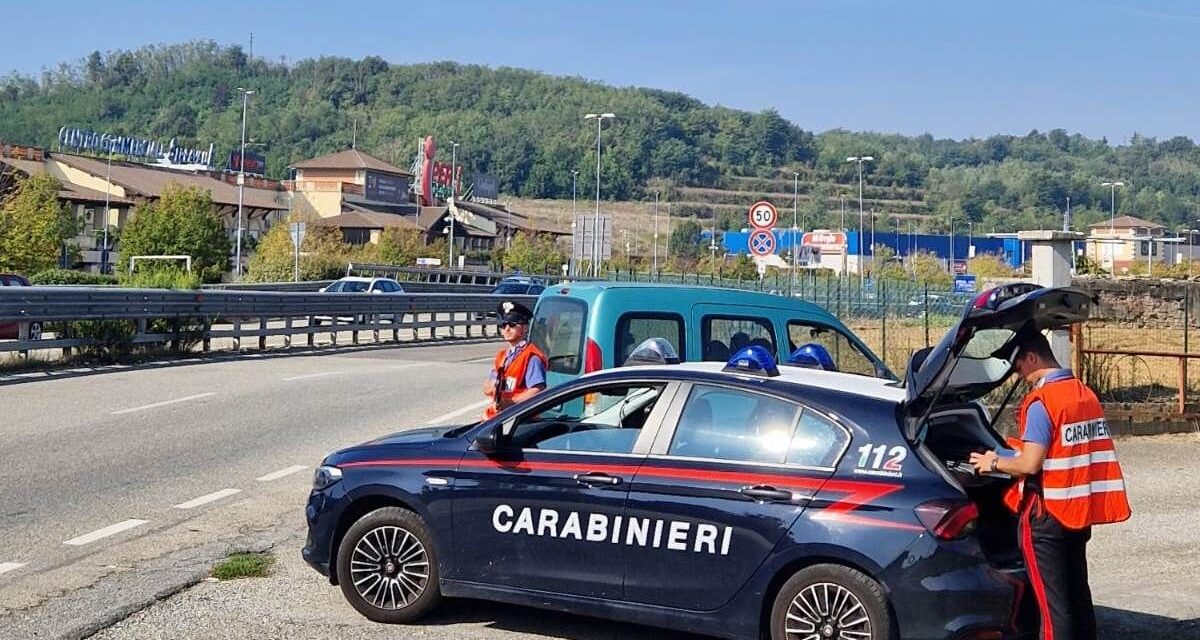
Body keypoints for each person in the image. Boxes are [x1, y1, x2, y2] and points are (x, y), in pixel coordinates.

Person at [970, 331, 1130, 640]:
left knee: (1053, 608)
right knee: (1077, 597)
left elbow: (1030, 464)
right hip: (1078, 509)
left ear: (1032, 358)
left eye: (1018, 367)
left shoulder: (1041, 401)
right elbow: (1065, 450)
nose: (1019, 375)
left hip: (1047, 515)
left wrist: (993, 462)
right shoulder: (1084, 394)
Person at [483, 301, 548, 419]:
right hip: (500, 416)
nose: (507, 329)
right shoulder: (502, 355)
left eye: (512, 325)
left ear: (525, 328)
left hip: (521, 418)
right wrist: (490, 388)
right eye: (503, 326)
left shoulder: (531, 356)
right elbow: (489, 384)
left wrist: (511, 403)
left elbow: (537, 390)